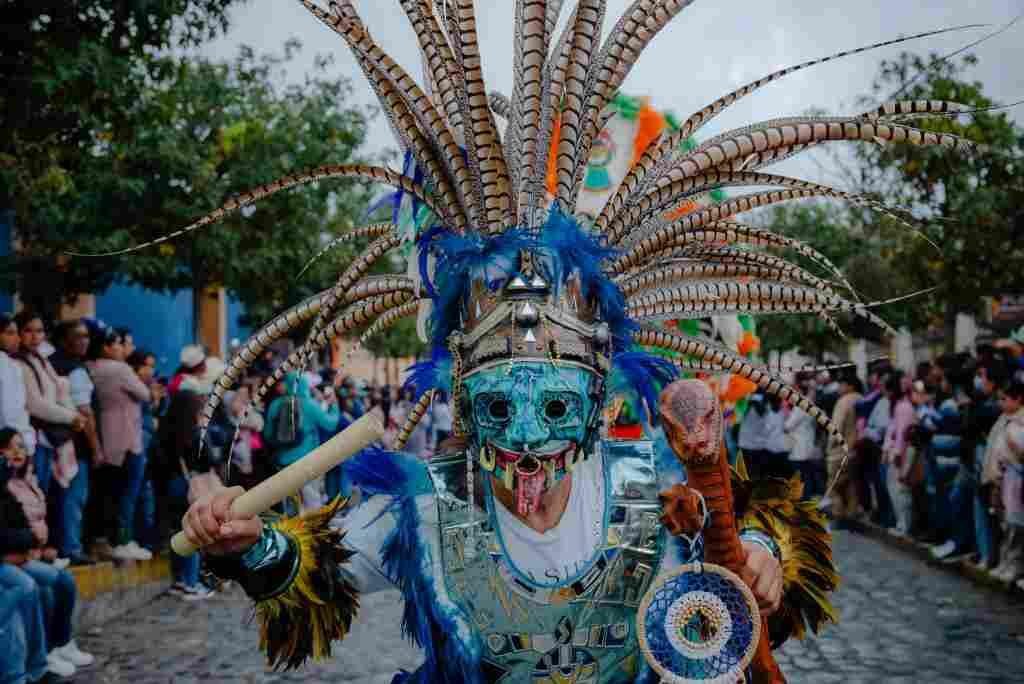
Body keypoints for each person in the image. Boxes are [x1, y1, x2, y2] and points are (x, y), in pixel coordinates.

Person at [153, 4, 974, 679]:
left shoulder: (658, 496)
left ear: (593, 401)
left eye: (552, 402)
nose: (529, 439)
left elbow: (757, 532)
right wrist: (247, 540)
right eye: (501, 406)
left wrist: (760, 555)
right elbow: (317, 570)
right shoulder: (425, 507)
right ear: (465, 403)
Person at [0, 427, 94, 676]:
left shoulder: (27, 479)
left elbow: (41, 516)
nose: (17, 452)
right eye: (10, 447)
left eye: (20, 446)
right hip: (16, 555)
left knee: (65, 581)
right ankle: (46, 654)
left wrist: (47, 545)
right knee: (43, 587)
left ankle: (61, 643)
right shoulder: (5, 485)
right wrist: (30, 545)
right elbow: (12, 528)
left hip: (31, 551)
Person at [88, 325, 154, 561]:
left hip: (106, 435)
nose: (122, 348)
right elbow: (145, 395)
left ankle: (110, 539)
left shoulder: (91, 367)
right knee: (127, 493)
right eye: (117, 344)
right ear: (105, 347)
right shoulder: (119, 369)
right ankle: (122, 540)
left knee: (109, 492)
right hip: (127, 438)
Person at [13, 313, 86, 498]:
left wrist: (74, 415)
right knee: (36, 497)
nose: (35, 336)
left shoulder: (41, 359)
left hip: (50, 439)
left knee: (49, 501)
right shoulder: (17, 363)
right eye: (28, 331)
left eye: (39, 331)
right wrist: (72, 417)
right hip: (33, 440)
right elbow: (36, 404)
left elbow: (58, 390)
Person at [46, 319, 100, 565]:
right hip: (74, 444)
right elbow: (85, 412)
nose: (84, 341)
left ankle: (63, 545)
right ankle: (71, 547)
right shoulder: (75, 369)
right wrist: (96, 448)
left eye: (86, 336)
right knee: (73, 497)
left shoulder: (49, 364)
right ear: (63, 339)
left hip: (53, 441)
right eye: (77, 336)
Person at [263, 372, 339, 513]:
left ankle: (291, 534)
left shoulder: (276, 404)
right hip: (307, 461)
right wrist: (334, 406)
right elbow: (330, 424)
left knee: (290, 505)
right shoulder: (309, 404)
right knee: (312, 503)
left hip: (283, 462)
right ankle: (313, 532)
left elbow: (267, 434)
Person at [985, 382, 1024, 583]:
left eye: (1005, 399)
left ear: (1018, 399)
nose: (1001, 403)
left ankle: (1015, 566)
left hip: (1016, 476)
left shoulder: (1020, 421)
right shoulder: (1006, 419)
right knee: (1005, 523)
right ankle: (1007, 562)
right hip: (1004, 477)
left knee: (1015, 525)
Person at [0, 315, 35, 483]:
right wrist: (25, 446)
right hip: (10, 446)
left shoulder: (12, 364)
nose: (17, 338)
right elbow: (10, 412)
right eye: (9, 333)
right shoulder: (5, 365)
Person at [826, 372, 864, 522]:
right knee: (851, 485)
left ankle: (839, 515)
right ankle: (852, 513)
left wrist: (829, 447)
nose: (839, 388)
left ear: (849, 386)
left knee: (834, 485)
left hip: (839, 451)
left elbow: (836, 427)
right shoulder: (861, 399)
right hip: (856, 448)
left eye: (841, 385)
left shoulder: (843, 402)